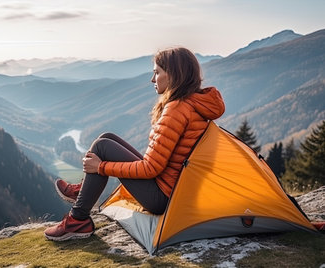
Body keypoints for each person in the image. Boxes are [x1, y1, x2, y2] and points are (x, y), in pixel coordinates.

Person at [44, 47, 225, 241]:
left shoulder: (176, 110)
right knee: (107, 137)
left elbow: (150, 169)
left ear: (173, 75)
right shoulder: (192, 103)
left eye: (157, 72)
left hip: (163, 198)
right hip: (174, 189)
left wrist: (101, 167)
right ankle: (85, 189)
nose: (152, 79)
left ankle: (77, 220)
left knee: (102, 148)